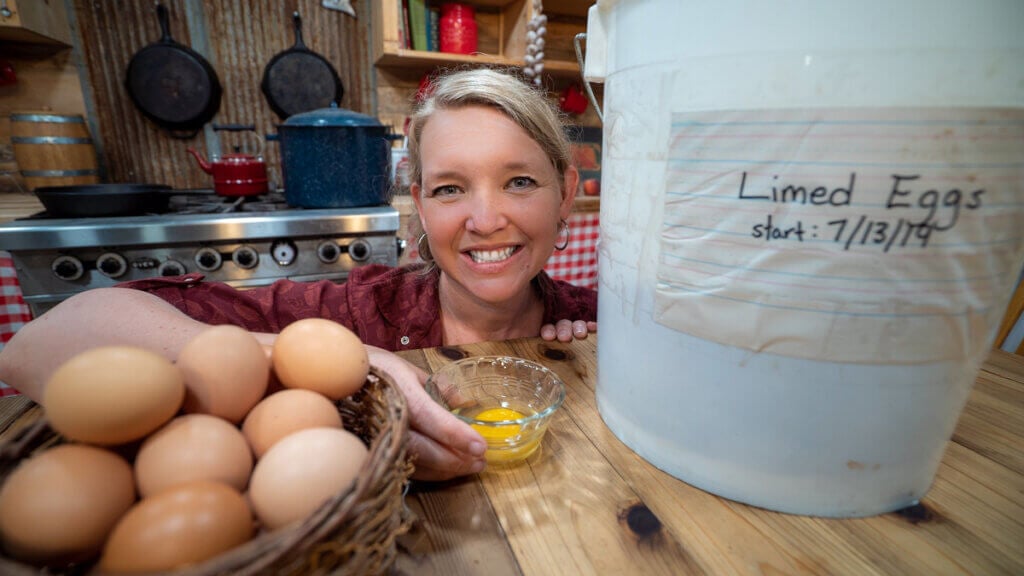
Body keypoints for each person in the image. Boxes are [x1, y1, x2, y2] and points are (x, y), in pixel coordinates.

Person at [0, 68, 597, 481]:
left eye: (519, 181)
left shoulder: (597, 327)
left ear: (565, 193)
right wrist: (341, 358)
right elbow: (38, 345)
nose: (487, 219)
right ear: (420, 204)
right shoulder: (351, 315)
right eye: (450, 188)